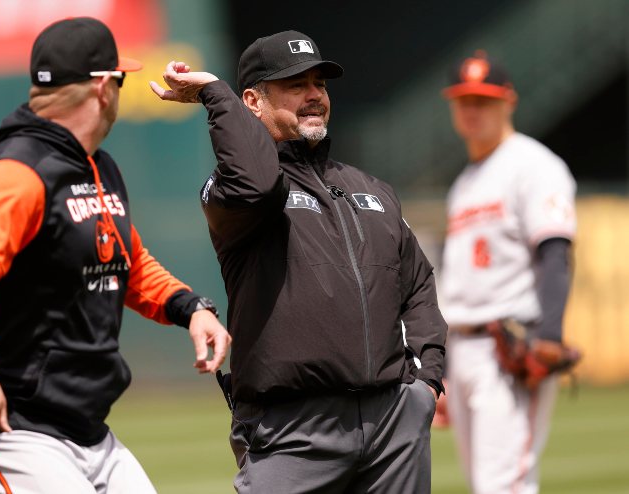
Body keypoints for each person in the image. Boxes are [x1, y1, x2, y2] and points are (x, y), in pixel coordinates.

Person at [0, 17, 231, 494]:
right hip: (8, 422)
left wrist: (189, 307)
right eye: (121, 78)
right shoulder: (18, 171)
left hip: (84, 426)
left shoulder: (96, 166)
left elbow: (126, 261)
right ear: (103, 89)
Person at [151, 30, 447, 493]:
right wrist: (215, 95)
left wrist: (426, 382)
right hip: (291, 428)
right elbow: (256, 181)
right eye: (295, 84)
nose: (314, 96)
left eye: (320, 84)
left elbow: (418, 285)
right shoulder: (236, 193)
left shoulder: (371, 189)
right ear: (253, 100)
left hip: (393, 422)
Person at [437, 50, 577, 494]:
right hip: (460, 348)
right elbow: (457, 282)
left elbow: (555, 251)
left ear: (508, 101)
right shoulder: (465, 183)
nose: (472, 110)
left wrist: (550, 335)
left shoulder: (535, 165)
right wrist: (439, 365)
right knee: (485, 482)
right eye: (464, 100)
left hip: (509, 345)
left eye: (484, 100)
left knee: (504, 486)